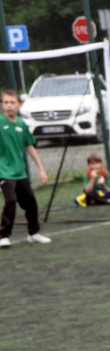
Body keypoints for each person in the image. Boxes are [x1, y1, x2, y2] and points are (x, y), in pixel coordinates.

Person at [0, 89, 50, 248]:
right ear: (2, 104)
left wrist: (41, 169)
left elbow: (29, 146)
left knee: (31, 203)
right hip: (4, 171)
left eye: (12, 102)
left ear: (18, 105)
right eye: (5, 102)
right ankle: (3, 235)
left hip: (20, 172)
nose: (9, 106)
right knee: (11, 200)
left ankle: (33, 233)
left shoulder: (22, 124)